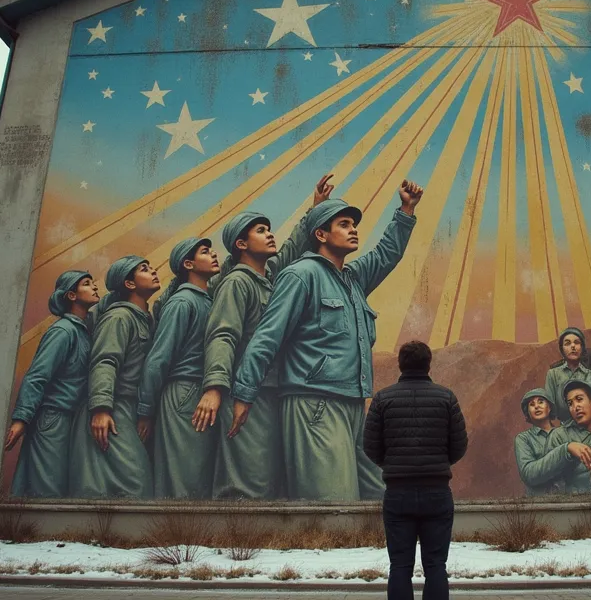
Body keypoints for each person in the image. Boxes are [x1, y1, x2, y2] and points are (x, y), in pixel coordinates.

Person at [231, 180, 425, 501]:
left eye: (354, 225)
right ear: (321, 234)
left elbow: (386, 254)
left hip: (352, 402)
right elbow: (267, 337)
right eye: (344, 224)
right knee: (332, 502)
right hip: (314, 403)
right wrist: (244, 394)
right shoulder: (301, 275)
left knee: (380, 496)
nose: (353, 230)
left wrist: (406, 211)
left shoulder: (353, 278)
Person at [202, 174, 334, 500]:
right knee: (248, 478)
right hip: (245, 391)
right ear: (241, 245)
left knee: (270, 476)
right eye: (261, 231)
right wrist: (215, 388)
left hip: (271, 387)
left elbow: (291, 249)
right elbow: (222, 335)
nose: (270, 234)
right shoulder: (237, 283)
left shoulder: (269, 277)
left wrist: (314, 208)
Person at [362, 340, 467, 600]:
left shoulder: (383, 399)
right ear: (429, 364)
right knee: (436, 565)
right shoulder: (446, 397)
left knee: (399, 566)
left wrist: (392, 465)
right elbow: (459, 445)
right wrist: (438, 464)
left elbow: (370, 446)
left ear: (400, 364)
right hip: (437, 492)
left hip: (398, 493)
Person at [69, 255, 161, 499]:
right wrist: (101, 409)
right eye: (144, 269)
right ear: (129, 284)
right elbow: (105, 361)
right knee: (136, 483)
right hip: (111, 409)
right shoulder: (118, 317)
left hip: (130, 409)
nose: (153, 271)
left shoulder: (145, 320)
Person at [5, 270, 98, 498]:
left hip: (71, 419)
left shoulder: (83, 331)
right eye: (87, 284)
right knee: (47, 488)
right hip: (52, 419)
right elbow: (38, 376)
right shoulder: (63, 331)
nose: (95, 286)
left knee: (64, 487)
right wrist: (21, 419)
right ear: (72, 296)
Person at [141, 238, 219, 499]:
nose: (214, 254)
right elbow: (158, 359)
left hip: (202, 395)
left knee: (197, 479)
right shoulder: (182, 302)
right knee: (182, 480)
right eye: (205, 252)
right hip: (183, 393)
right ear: (188, 264)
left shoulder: (207, 301)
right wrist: (145, 412)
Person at [542, 328, 591, 424]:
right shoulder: (553, 374)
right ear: (562, 349)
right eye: (567, 343)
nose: (573, 346)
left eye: (577, 343)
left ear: (582, 347)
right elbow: (550, 408)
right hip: (563, 427)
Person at [513, 388, 565, 496]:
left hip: (568, 498)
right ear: (528, 412)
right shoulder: (523, 439)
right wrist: (563, 452)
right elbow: (529, 474)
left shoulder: (564, 433)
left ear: (549, 407)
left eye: (541, 402)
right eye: (532, 404)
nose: (536, 406)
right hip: (537, 501)